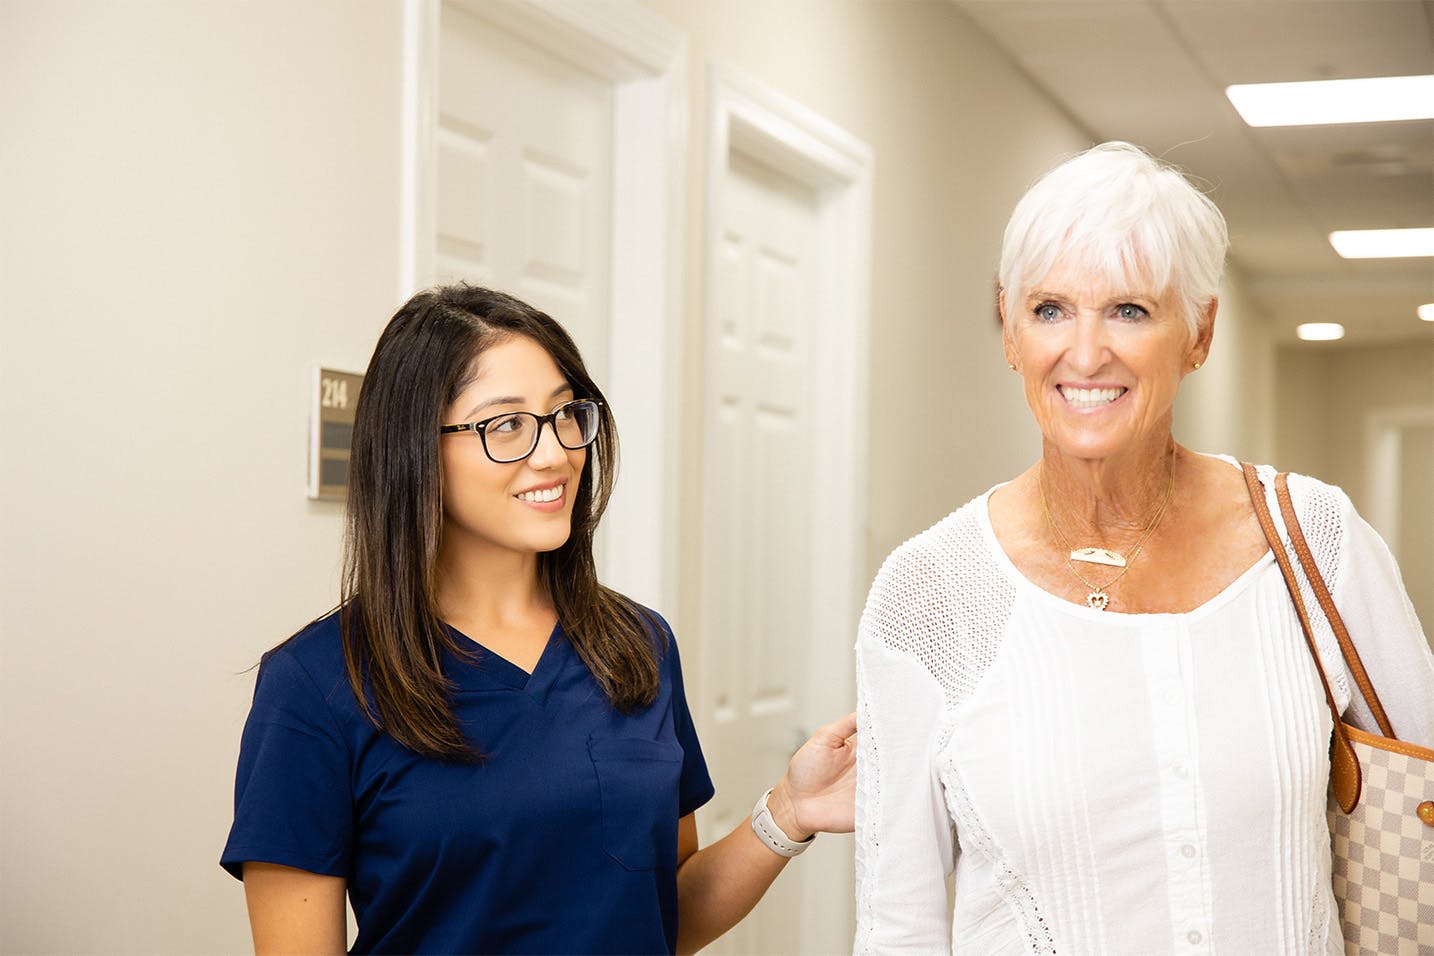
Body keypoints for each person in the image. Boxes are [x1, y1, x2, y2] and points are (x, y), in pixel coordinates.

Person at [853, 142, 1434, 953]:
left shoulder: (1315, 539)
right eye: (1050, 309)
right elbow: (898, 923)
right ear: (1010, 330)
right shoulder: (929, 591)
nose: (1085, 354)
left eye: (1129, 310)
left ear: (1199, 330)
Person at [222, 285, 856, 955]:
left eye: (564, 415)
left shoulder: (637, 644)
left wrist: (789, 810)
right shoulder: (316, 684)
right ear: (416, 449)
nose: (554, 454)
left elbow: (666, 915)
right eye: (507, 425)